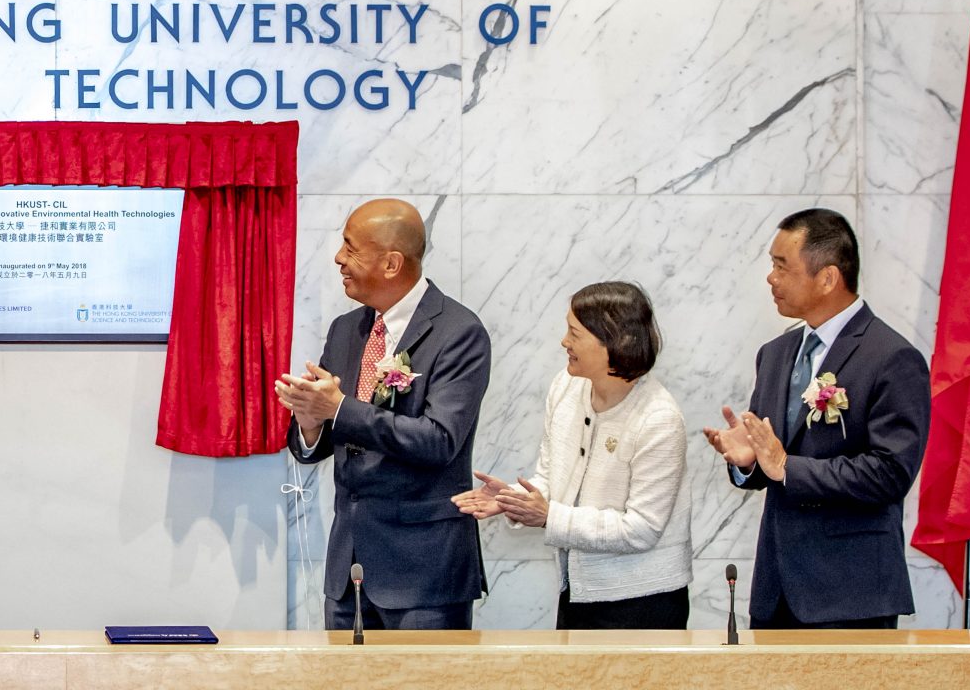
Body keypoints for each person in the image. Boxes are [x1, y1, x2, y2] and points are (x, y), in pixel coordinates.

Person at [703, 207, 930, 629]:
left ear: (827, 278)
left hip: (850, 593)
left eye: (781, 266)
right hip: (776, 590)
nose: (770, 278)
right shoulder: (774, 354)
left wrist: (788, 466)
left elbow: (891, 473)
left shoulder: (892, 357)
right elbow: (774, 463)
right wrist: (750, 462)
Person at [277, 198, 491, 630]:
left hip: (423, 573)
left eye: (351, 248)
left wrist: (340, 408)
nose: (338, 258)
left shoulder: (458, 332)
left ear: (392, 263)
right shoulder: (346, 329)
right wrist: (310, 423)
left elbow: (439, 440)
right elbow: (335, 436)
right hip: (347, 569)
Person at [454, 282, 692, 629]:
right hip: (577, 592)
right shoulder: (565, 387)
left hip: (643, 601)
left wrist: (549, 517)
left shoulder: (659, 419)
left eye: (575, 333)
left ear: (617, 341)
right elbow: (550, 479)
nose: (564, 342)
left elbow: (641, 529)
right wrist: (513, 500)